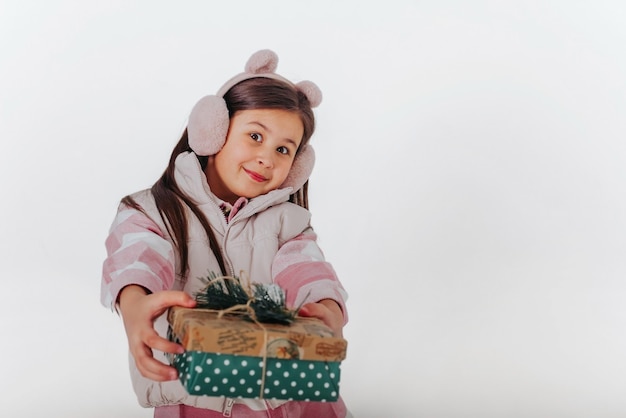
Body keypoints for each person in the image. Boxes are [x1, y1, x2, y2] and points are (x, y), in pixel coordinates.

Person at [100, 49, 350, 418]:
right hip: (196, 399)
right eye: (255, 136)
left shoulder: (290, 222)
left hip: (285, 399)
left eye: (283, 149)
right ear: (212, 130)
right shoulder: (150, 211)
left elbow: (307, 268)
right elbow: (138, 258)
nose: (268, 157)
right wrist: (135, 304)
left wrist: (327, 306)